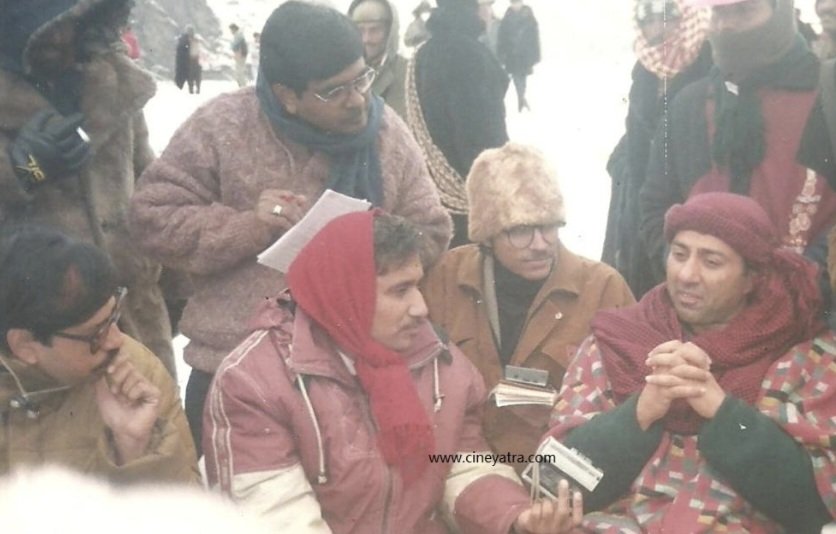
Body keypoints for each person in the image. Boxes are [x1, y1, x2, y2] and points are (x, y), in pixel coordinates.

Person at [129, 1, 452, 456]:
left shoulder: (385, 134)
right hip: (233, 368)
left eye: (360, 78)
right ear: (286, 95)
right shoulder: (222, 125)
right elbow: (152, 215)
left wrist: (365, 243)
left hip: (355, 370)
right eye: (333, 91)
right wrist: (248, 227)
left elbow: (432, 229)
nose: (358, 98)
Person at [204, 210, 583, 534]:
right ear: (346, 293)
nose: (421, 307)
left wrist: (516, 515)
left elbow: (460, 465)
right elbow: (275, 519)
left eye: (417, 285)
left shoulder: (440, 362)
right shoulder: (254, 382)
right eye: (400, 290)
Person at [546, 192, 836, 532]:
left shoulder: (804, 359)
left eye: (711, 262)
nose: (686, 274)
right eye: (679, 255)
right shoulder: (614, 343)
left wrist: (723, 412)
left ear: (752, 279)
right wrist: (640, 411)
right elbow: (553, 481)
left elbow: (817, 507)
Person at [422, 143, 635, 473]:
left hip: (558, 472)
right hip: (460, 466)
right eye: (520, 231)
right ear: (487, 235)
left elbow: (630, 404)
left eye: (548, 226)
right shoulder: (444, 279)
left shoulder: (604, 288)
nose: (539, 244)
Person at [0, 0, 176, 377]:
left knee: (154, 430)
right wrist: (20, 172)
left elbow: (150, 190)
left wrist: (176, 292)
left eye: (75, 21)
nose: (63, 35)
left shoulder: (108, 82)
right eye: (50, 25)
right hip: (39, 351)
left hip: (136, 326)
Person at [640, 0, 836, 288]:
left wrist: (800, 284)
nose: (727, 26)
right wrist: (693, 274)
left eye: (744, 11)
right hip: (705, 321)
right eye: (719, 13)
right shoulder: (689, 105)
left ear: (779, 10)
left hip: (813, 317)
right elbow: (655, 205)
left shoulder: (827, 94)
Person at [0, 225, 199, 484]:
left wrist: (135, 448)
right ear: (25, 345)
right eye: (96, 334)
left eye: (113, 317)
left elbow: (189, 517)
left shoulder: (137, 372)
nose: (116, 341)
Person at [601, 0, 712, 298]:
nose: (657, 29)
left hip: (687, 202)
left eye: (666, 18)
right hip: (642, 207)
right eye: (648, 20)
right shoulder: (645, 73)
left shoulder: (707, 66)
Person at [407, 0, 509, 248]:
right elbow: (482, 141)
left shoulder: (424, 51)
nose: (490, 10)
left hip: (433, 200)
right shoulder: (468, 54)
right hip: (468, 206)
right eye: (487, 3)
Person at [349, 0, 409, 119]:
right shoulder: (343, 74)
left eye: (374, 30)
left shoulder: (408, 74)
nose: (366, 39)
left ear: (389, 32)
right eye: (360, 31)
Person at [497, 0, 540, 112]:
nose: (515, 5)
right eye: (513, 3)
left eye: (517, 3)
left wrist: (535, 54)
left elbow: (534, 37)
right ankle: (521, 98)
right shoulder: (507, 17)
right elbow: (502, 37)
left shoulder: (529, 17)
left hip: (525, 54)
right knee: (516, 77)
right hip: (512, 54)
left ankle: (521, 98)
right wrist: (501, 53)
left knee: (523, 77)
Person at [174, 25, 202, 94]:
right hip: (189, 61)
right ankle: (192, 90)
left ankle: (196, 90)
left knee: (195, 76)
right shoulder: (184, 40)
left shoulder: (194, 40)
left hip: (194, 60)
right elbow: (181, 51)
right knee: (191, 77)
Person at [229, 23, 248, 87]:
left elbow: (235, 46)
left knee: (239, 72)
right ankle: (242, 85)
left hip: (240, 55)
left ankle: (243, 86)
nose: (231, 31)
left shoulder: (238, 36)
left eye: (231, 30)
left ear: (234, 29)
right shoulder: (239, 35)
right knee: (239, 72)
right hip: (240, 55)